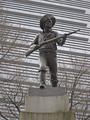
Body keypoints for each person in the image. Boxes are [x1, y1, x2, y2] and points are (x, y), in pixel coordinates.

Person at [31, 14, 67, 89]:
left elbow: (60, 43)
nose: (49, 23)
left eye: (50, 22)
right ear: (44, 24)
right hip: (42, 54)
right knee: (42, 67)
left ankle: (54, 86)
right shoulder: (39, 35)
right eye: (48, 22)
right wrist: (35, 46)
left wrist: (64, 38)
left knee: (54, 72)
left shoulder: (55, 34)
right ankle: (42, 83)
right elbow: (31, 45)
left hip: (52, 54)